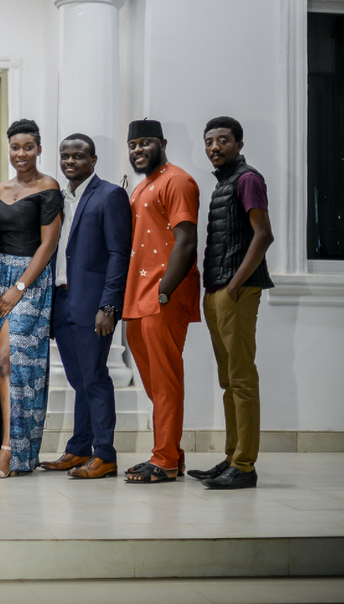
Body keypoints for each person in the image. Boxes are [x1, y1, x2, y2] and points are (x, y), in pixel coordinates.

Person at [39, 133, 131, 479]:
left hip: (93, 304)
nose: (70, 162)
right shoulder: (58, 198)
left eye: (78, 156)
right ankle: (79, 448)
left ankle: (105, 454)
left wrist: (109, 305)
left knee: (94, 377)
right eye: (65, 156)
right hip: (62, 301)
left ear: (93, 160)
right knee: (79, 379)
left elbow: (118, 254)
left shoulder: (110, 195)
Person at [189, 117, 273, 490]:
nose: (214, 147)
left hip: (236, 291)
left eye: (222, 140)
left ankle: (244, 465)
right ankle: (232, 457)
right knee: (228, 381)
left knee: (241, 379)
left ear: (239, 144)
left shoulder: (247, 179)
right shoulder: (225, 183)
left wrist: (235, 285)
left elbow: (263, 234)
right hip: (218, 289)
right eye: (209, 141)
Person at [0, 119, 63, 478]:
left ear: (39, 149)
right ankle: (0, 446)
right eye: (15, 147)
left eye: (28, 147)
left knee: (9, 362)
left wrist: (20, 287)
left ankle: (10, 451)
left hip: (31, 282)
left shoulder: (48, 187)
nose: (22, 153)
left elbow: (49, 244)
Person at [122, 119, 200, 484]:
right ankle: (170, 454)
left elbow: (186, 242)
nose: (138, 149)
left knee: (166, 380)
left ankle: (165, 459)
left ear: (163, 143)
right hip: (138, 296)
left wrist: (164, 292)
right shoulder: (142, 187)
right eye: (133, 144)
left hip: (163, 294)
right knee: (155, 382)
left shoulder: (178, 181)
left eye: (146, 143)